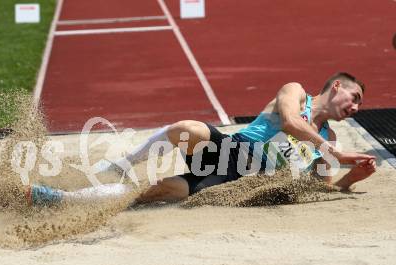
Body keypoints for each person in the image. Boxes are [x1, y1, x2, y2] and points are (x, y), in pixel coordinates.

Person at [27, 72, 377, 207]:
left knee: (162, 190)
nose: (357, 107)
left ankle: (60, 199)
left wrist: (349, 178)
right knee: (189, 128)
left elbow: (316, 187)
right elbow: (288, 122)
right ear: (337, 87)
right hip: (233, 150)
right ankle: (121, 165)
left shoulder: (328, 137)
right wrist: (330, 149)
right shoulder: (298, 92)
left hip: (240, 179)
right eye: (356, 97)